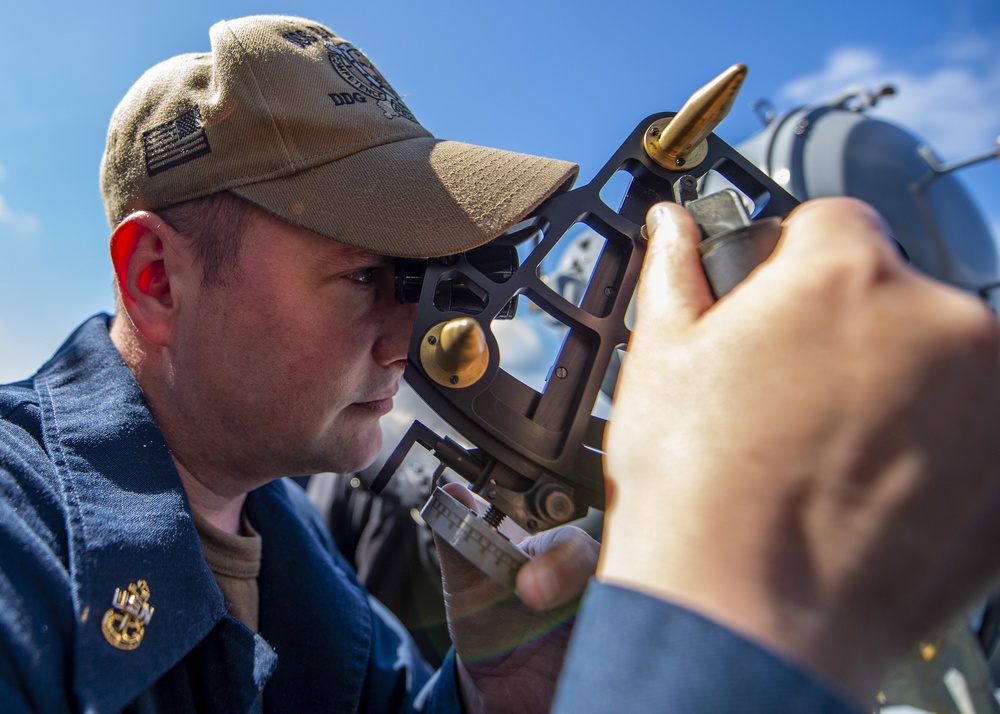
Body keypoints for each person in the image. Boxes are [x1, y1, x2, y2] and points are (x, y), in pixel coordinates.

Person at [1, 12, 999, 714]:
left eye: (430, 278)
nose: (415, 333)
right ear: (158, 281)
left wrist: (495, 696)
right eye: (369, 277)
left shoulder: (297, 566)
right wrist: (725, 641)